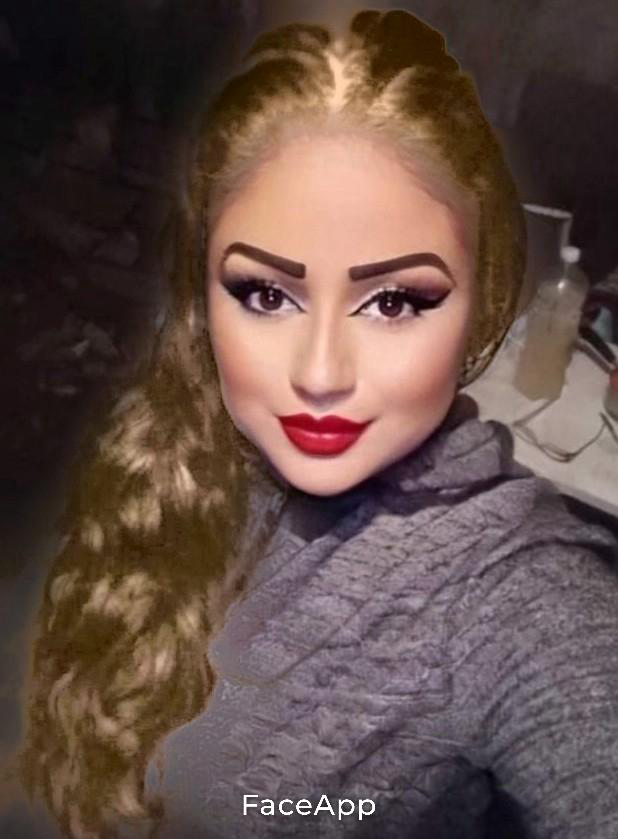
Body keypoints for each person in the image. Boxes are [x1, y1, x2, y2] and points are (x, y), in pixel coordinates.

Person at [9, 8, 618, 839]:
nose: (320, 374)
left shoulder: (516, 595)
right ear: (202, 296)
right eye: (267, 294)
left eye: (394, 301)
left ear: (482, 309)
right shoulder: (166, 438)